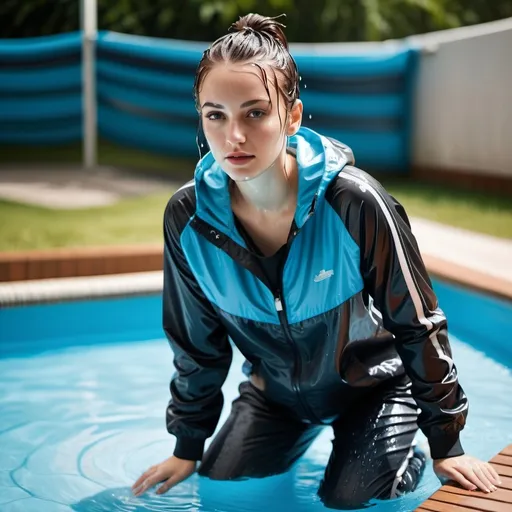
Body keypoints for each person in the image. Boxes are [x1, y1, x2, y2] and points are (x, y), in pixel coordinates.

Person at [132, 13, 501, 509]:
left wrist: (446, 442)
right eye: (215, 115)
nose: (233, 136)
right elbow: (197, 344)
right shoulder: (188, 218)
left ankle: (400, 451)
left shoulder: (355, 203)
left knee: (348, 500)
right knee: (222, 488)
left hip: (376, 392)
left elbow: (417, 323)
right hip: (276, 396)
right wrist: (187, 445)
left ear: (293, 116)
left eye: (255, 113)